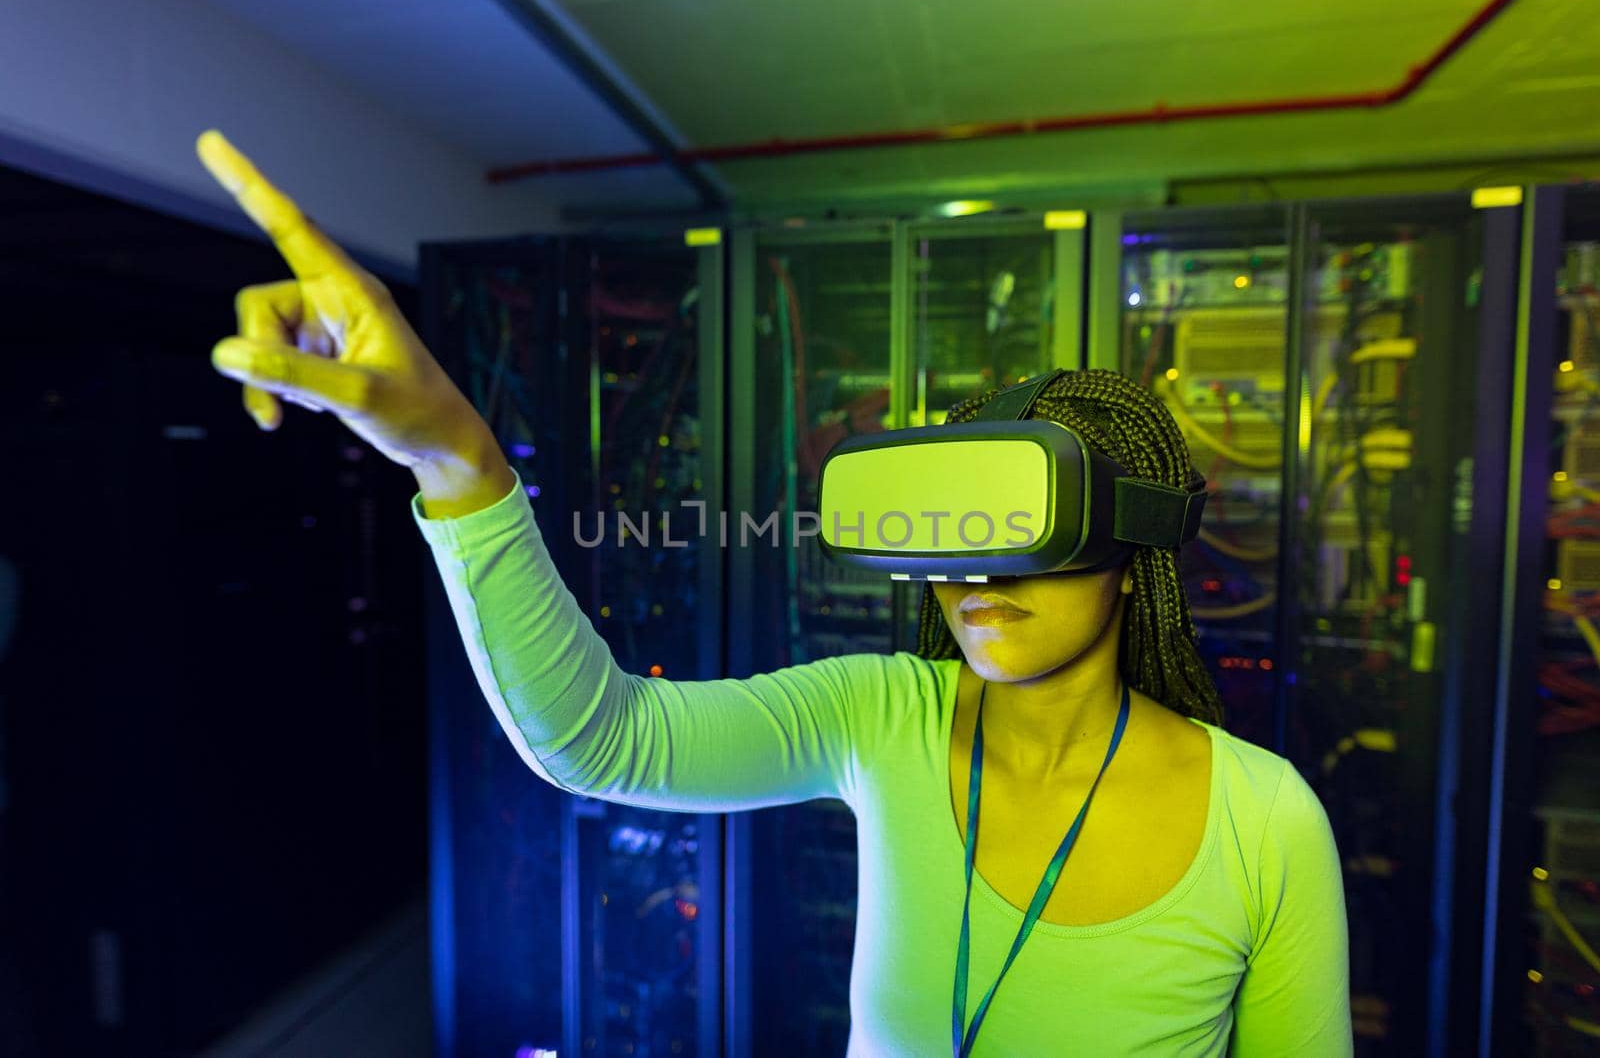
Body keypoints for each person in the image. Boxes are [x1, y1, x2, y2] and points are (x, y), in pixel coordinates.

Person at [196, 130, 1352, 1056]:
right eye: (951, 529)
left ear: (1130, 537)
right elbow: (602, 740)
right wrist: (457, 460)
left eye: (1025, 522)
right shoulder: (883, 715)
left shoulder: (1266, 818)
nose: (973, 576)